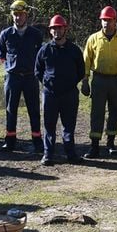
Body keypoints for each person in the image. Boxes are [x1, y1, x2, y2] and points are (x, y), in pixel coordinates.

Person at [81, 6, 117, 159]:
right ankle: (94, 146)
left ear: (115, 21)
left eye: (109, 20)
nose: (106, 23)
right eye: (103, 20)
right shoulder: (93, 39)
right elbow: (86, 60)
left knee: (115, 111)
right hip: (98, 80)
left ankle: (111, 144)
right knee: (97, 112)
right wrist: (85, 80)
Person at [34, 14, 85, 165]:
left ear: (65, 29)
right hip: (50, 94)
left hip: (69, 94)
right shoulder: (44, 50)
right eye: (54, 28)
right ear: (50, 31)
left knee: (69, 126)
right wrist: (48, 84)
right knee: (49, 126)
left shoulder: (74, 50)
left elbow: (81, 71)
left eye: (59, 28)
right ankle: (48, 155)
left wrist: (69, 84)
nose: (57, 31)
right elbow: (38, 71)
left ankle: (71, 154)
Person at [0, 0, 44, 154]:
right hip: (12, 77)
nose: (18, 17)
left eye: (21, 14)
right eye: (15, 14)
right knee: (11, 109)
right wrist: (12, 66)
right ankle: (10, 141)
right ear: (12, 15)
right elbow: (1, 55)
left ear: (26, 15)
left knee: (34, 109)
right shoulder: (5, 34)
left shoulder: (36, 34)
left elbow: (40, 56)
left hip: (31, 77)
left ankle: (37, 140)